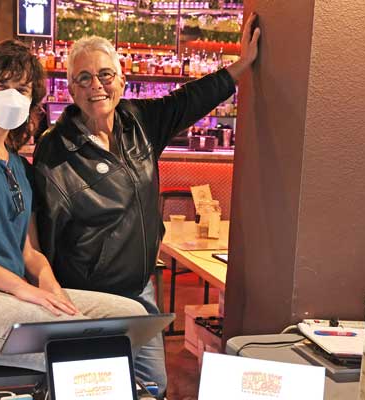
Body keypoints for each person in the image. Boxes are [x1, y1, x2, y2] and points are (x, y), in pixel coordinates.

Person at [32, 13, 261, 397]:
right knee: (99, 390)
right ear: (70, 89)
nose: (96, 86)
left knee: (154, 386)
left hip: (141, 291)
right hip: (91, 299)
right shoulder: (54, 150)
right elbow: (43, 231)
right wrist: (54, 295)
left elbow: (190, 100)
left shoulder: (138, 122)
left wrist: (242, 66)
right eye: (83, 78)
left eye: (105, 75)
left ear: (122, 79)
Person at [0, 40, 147, 373]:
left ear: (32, 100)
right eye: (1, 85)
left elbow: (28, 252)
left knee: (132, 317)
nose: (11, 95)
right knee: (79, 344)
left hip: (9, 294)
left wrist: (52, 290)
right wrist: (25, 291)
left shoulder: (19, 167)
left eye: (22, 89)